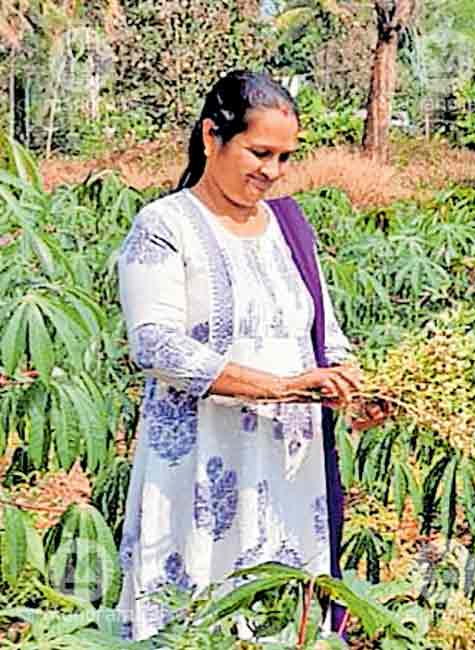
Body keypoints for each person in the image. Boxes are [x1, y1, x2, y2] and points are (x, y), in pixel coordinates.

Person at [115, 70, 384, 640]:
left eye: (285, 157)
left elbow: (326, 337)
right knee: (195, 619)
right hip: (199, 463)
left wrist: (355, 387)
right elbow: (155, 344)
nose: (273, 171)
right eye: (259, 152)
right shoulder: (165, 225)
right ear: (212, 137)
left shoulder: (289, 227)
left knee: (282, 616)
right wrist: (282, 388)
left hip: (289, 467)